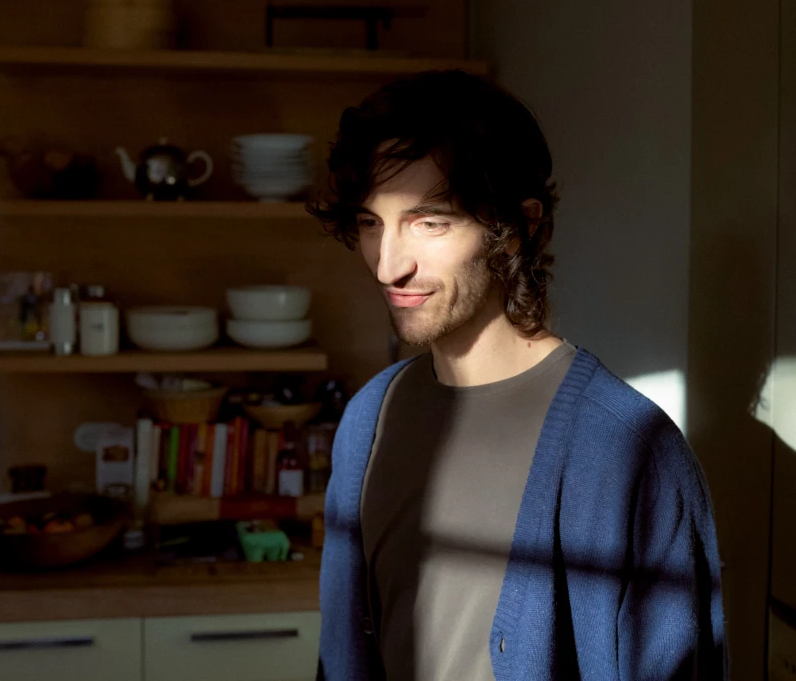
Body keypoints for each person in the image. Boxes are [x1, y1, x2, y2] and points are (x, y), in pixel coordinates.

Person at [311, 70, 726, 680]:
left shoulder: (626, 447)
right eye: (373, 223)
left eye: (430, 221)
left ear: (522, 225)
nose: (388, 266)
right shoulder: (368, 420)